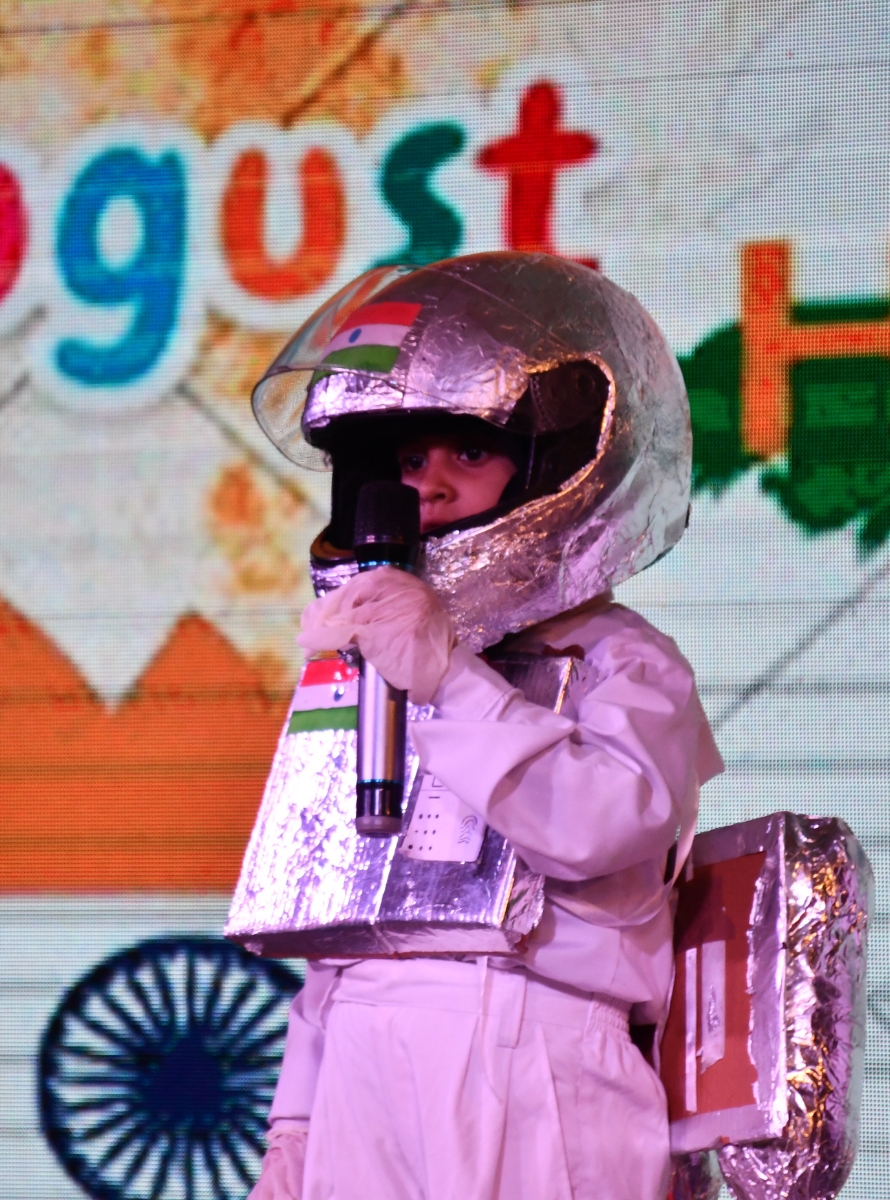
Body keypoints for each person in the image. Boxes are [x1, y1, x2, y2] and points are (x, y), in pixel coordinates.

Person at [243, 253, 723, 1200]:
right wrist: (294, 1125)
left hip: (534, 1042)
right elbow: (339, 921)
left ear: (559, 460)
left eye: (467, 453)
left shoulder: (627, 662)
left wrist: (449, 683)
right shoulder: (368, 673)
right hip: (361, 1056)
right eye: (407, 462)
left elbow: (591, 827)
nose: (427, 487)